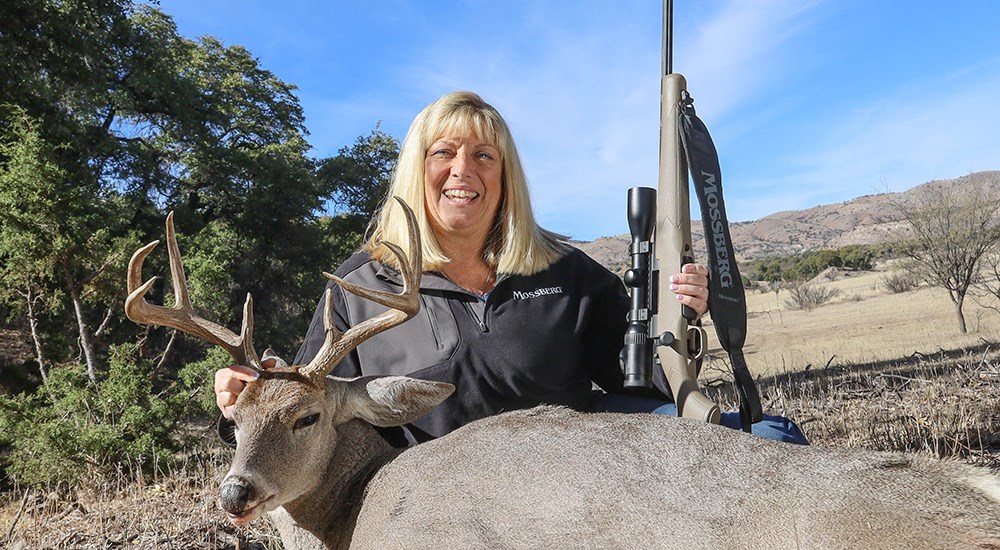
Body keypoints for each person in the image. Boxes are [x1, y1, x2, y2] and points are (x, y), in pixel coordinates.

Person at [215, 91, 807, 446]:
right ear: (415, 167)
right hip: (440, 499)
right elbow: (304, 402)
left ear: (505, 177)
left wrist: (686, 318)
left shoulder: (565, 270)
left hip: (571, 475)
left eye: (483, 156)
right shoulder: (360, 284)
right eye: (442, 153)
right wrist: (243, 398)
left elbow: (640, 379)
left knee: (772, 438)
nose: (461, 171)